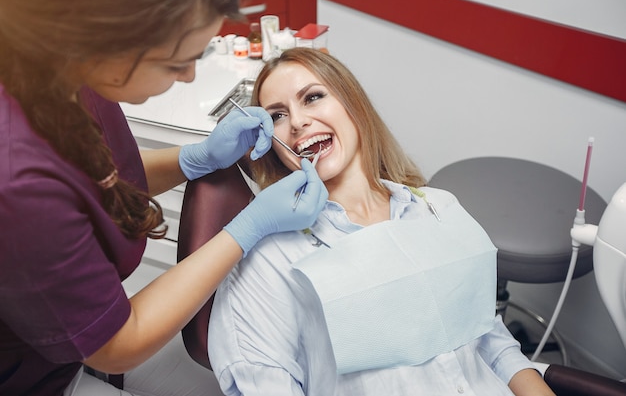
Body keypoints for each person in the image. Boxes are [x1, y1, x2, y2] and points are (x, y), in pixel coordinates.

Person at [0, 0, 327, 395]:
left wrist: (197, 157)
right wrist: (248, 229)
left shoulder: (69, 70)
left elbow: (95, 172)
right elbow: (116, 344)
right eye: (177, 63)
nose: (190, 75)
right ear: (107, 44)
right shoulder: (16, 183)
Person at [207, 47, 557, 396]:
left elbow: (489, 341)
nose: (297, 122)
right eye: (278, 116)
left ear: (353, 104)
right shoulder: (268, 260)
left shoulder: (436, 209)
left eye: (312, 97)